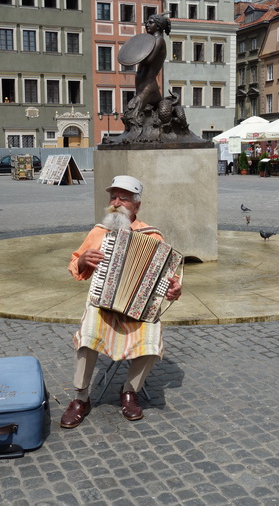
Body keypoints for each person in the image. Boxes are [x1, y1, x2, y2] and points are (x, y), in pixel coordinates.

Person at [60, 175, 181, 428]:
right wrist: (82, 262)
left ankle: (129, 391)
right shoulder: (99, 232)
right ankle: (81, 398)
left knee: (152, 338)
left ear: (136, 205)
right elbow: (75, 265)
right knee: (88, 333)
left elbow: (169, 282)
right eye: (113, 197)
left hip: (136, 308)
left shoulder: (153, 236)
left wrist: (173, 290)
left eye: (123, 198)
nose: (116, 203)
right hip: (102, 304)